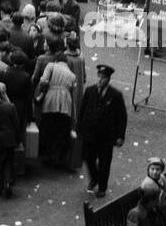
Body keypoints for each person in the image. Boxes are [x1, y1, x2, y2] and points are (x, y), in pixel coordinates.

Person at [79, 64, 126, 199]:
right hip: (90, 134)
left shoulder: (115, 95)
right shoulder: (90, 91)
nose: (100, 80)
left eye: (103, 78)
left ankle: (102, 187)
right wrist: (79, 129)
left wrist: (120, 136)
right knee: (88, 158)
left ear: (108, 79)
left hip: (106, 136)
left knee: (105, 163)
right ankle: (94, 177)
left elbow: (122, 117)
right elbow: (83, 111)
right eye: (99, 77)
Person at [34, 48, 76, 168]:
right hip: (66, 103)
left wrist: (40, 93)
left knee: (48, 126)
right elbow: (72, 89)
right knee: (61, 129)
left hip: (51, 99)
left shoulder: (51, 66)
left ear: (56, 59)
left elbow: (44, 81)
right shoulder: (72, 75)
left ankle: (47, 154)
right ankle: (58, 157)